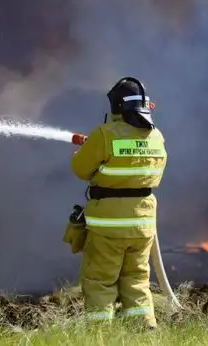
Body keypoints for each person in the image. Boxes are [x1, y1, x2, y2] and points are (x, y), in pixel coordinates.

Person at [70, 77, 168, 329]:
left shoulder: (105, 134)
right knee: (136, 280)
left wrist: (85, 151)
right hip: (143, 226)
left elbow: (80, 169)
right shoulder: (156, 136)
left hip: (109, 226)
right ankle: (145, 331)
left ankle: (101, 335)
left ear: (116, 106)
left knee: (100, 281)